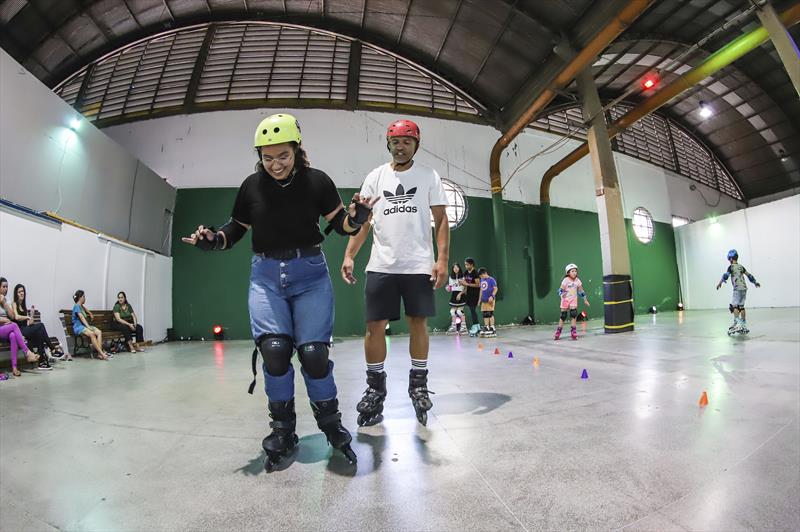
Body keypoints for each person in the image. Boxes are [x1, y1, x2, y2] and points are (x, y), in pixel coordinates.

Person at [182, 113, 373, 471]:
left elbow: (341, 224)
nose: (275, 165)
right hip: (266, 276)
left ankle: (331, 427)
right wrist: (212, 240)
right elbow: (234, 230)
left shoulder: (317, 182)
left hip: (311, 274)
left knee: (314, 355)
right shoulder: (251, 186)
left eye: (283, 156)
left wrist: (357, 216)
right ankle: (283, 431)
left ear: (297, 150)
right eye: (267, 158)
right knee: (275, 351)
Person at [341, 118, 450, 427]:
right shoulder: (375, 176)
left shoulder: (428, 176)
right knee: (374, 326)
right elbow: (363, 221)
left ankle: (418, 384)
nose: (400, 147)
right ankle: (375, 390)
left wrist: (441, 260)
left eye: (407, 141)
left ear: (416, 144)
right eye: (395, 142)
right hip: (381, 266)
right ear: (388, 144)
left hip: (418, 265)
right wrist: (349, 255)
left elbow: (441, 220)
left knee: (419, 324)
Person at [0, 278, 40, 376]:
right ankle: (27, 352)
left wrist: (4, 303)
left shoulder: (7, 301)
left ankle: (14, 367)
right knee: (14, 325)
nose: (6, 289)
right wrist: (4, 320)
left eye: (7, 287)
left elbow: (12, 316)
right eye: (3, 287)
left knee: (13, 335)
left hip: (6, 330)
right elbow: (10, 319)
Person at [11, 284, 57, 369]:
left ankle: (42, 362)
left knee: (39, 333)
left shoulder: (24, 306)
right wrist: (27, 317)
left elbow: (28, 323)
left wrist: (31, 315)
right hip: (19, 331)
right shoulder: (14, 303)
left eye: (23, 291)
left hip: (25, 329)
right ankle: (52, 349)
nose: (22, 293)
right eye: (19, 292)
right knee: (41, 325)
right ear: (16, 294)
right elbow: (16, 317)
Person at [716, 249, 760, 335]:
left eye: (729, 259)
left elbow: (726, 276)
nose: (729, 261)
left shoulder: (731, 267)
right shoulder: (741, 266)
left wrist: (720, 283)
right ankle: (743, 324)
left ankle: (737, 323)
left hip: (737, 289)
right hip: (744, 288)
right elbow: (749, 276)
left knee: (734, 306)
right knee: (741, 307)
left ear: (731, 258)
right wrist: (755, 282)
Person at [554, 263, 590, 341]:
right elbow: (560, 290)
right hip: (565, 299)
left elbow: (581, 291)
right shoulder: (565, 280)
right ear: (568, 273)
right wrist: (561, 294)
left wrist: (585, 300)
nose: (574, 273)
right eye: (572, 271)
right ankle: (558, 331)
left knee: (573, 314)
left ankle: (573, 331)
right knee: (563, 316)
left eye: (575, 271)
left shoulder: (578, 281)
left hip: (573, 299)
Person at [71, 290, 110, 360]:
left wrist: (90, 313)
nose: (85, 298)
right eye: (84, 296)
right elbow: (82, 317)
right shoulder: (76, 306)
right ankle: (102, 354)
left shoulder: (81, 306)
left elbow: (85, 309)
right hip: (78, 327)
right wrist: (88, 327)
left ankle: (99, 354)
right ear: (80, 298)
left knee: (99, 332)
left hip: (84, 326)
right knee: (92, 334)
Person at [460, 257, 481, 334]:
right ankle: (477, 326)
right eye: (465, 265)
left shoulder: (475, 273)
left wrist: (467, 284)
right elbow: (465, 284)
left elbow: (478, 285)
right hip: (468, 294)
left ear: (472, 265)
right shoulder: (465, 273)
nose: (466, 266)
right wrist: (462, 284)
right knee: (471, 310)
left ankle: (476, 326)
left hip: (475, 294)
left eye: (468, 265)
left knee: (473, 310)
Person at [446, 263, 466, 334]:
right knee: (452, 312)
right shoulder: (451, 277)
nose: (456, 269)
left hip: (461, 294)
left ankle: (463, 327)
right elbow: (451, 287)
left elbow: (465, 288)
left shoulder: (463, 276)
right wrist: (448, 289)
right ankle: (453, 327)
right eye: (454, 268)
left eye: (457, 267)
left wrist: (460, 294)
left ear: (459, 268)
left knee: (459, 311)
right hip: (454, 294)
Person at [478, 268, 498, 338]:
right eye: (480, 277)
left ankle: (492, 327)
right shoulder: (482, 280)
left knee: (490, 313)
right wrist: (479, 300)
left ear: (485, 273)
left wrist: (492, 296)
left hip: (490, 300)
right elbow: (481, 290)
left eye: (482, 276)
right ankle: (486, 327)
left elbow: (495, 289)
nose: (481, 277)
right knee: (485, 313)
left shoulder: (492, 280)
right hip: (484, 300)